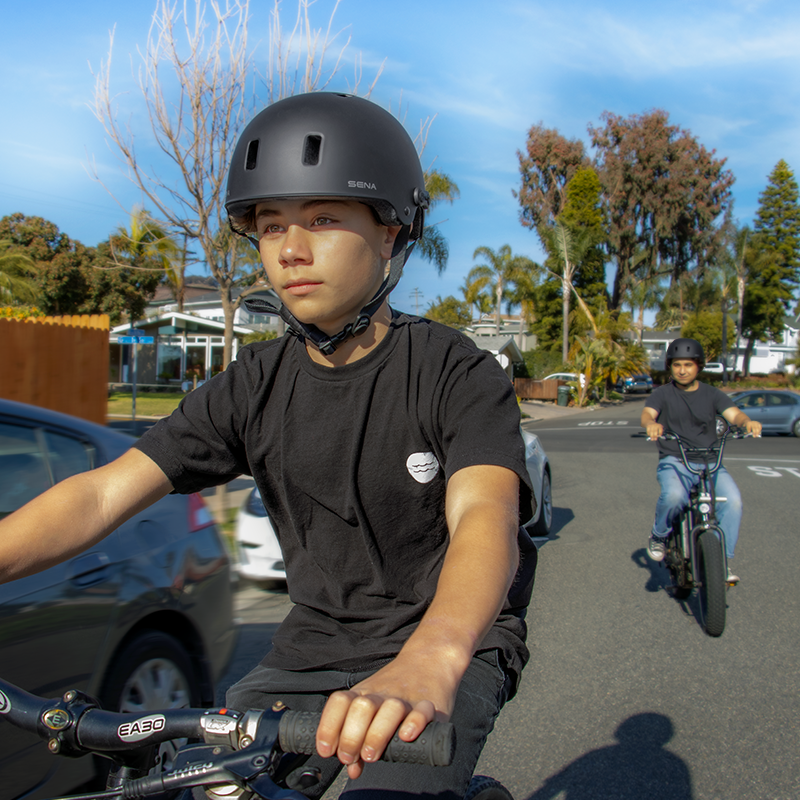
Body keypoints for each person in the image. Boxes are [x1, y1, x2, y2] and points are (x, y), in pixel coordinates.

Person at [0, 93, 537, 800]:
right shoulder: (251, 384)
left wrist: (433, 657)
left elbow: (485, 516)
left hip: (443, 642)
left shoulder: (453, 370)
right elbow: (102, 492)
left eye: (322, 218)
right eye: (270, 224)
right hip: (309, 652)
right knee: (214, 790)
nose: (290, 248)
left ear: (391, 234)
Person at [641, 338, 761, 584]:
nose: (682, 370)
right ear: (670, 366)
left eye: (688, 364)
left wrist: (746, 421)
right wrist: (651, 424)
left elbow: (733, 414)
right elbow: (648, 413)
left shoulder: (712, 394)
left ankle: (721, 563)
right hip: (675, 461)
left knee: (734, 502)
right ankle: (659, 535)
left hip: (710, 463)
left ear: (699, 366)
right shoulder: (662, 394)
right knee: (674, 497)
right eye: (676, 365)